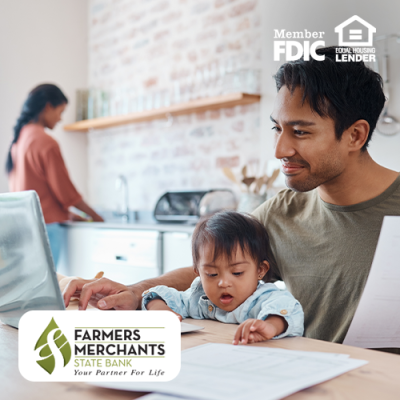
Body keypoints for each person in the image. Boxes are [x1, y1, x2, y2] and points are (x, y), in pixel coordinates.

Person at [63, 47, 400, 350]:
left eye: (300, 132)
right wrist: (136, 291)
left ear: (355, 135)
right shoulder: (283, 213)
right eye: (277, 129)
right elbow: (216, 267)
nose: (280, 149)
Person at [142, 211, 304, 345]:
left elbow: (288, 310)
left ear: (260, 270)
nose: (224, 283)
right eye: (211, 274)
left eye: (237, 273)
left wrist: (269, 326)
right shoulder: (200, 298)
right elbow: (158, 294)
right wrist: (160, 310)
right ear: (198, 272)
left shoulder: (264, 298)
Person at [7, 84, 104, 268]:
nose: (60, 119)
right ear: (48, 106)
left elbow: (37, 193)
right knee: (52, 288)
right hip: (46, 229)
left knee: (34, 291)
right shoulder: (45, 142)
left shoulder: (19, 140)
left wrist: (69, 215)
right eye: (61, 111)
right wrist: (96, 217)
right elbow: (66, 193)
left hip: (23, 227)